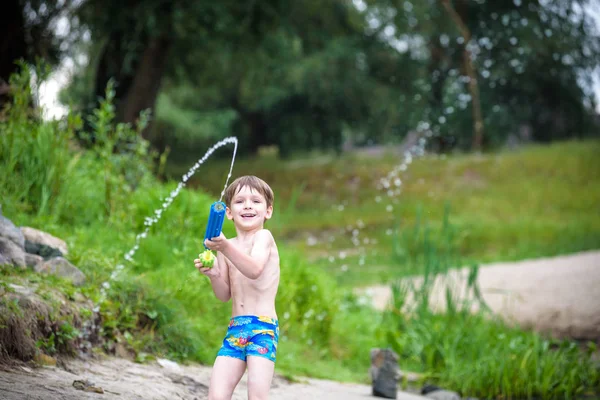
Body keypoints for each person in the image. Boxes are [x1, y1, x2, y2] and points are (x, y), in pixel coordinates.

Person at [194, 175, 280, 400]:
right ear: (229, 212)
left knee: (257, 396)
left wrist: (223, 247)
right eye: (240, 201)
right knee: (216, 396)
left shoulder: (264, 237)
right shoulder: (228, 246)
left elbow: (254, 269)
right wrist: (213, 274)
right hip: (235, 330)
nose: (248, 205)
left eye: (256, 201)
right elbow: (224, 295)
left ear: (268, 211)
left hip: (262, 329)